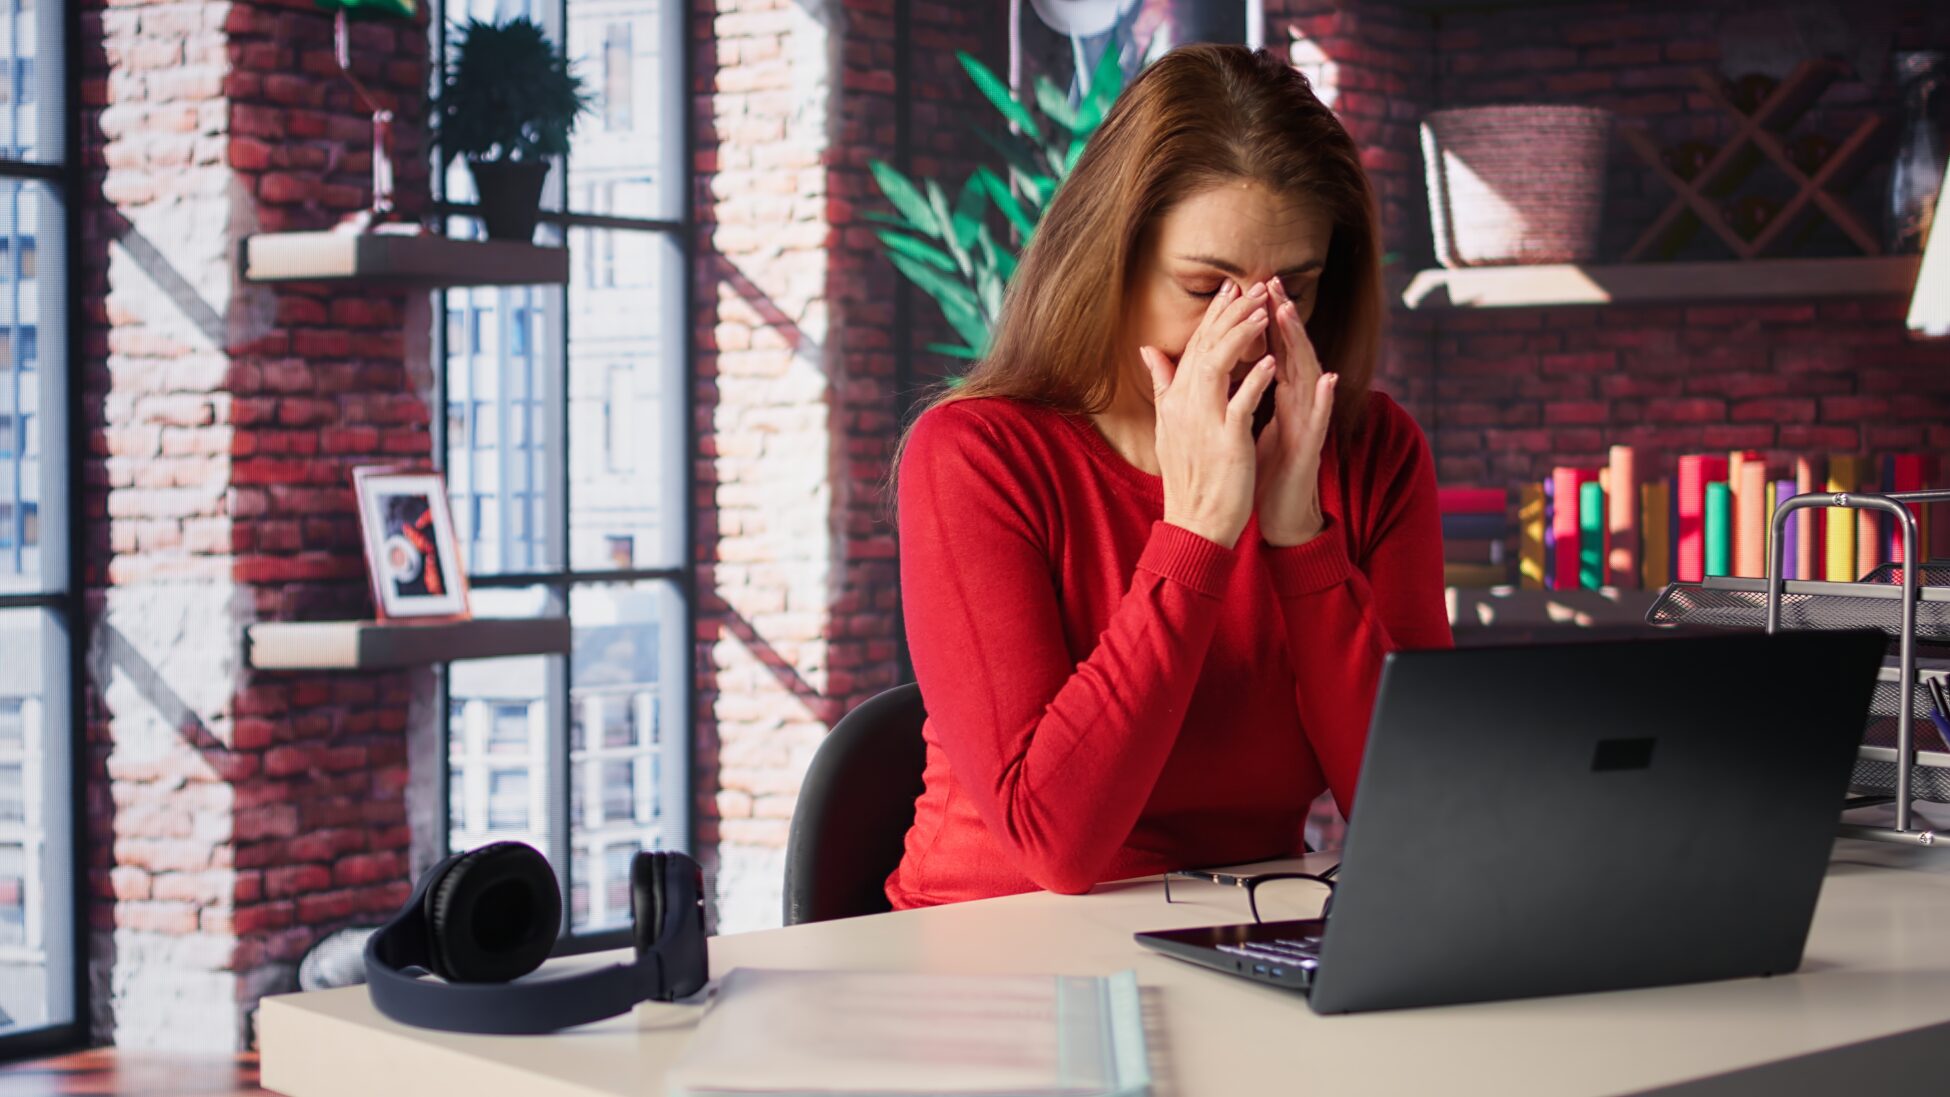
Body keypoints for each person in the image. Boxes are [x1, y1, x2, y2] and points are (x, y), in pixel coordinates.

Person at [887, 43, 1452, 910]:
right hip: (996, 945)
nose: (1251, 332)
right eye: (1204, 287)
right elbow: (1057, 844)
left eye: (1291, 289)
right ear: (1109, 264)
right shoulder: (976, 456)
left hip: (1245, 928)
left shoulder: (1374, 453)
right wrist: (1194, 536)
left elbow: (1417, 813)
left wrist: (1302, 538)